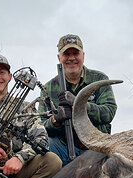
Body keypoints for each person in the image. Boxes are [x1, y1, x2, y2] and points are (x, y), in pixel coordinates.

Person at [38, 34, 117, 166]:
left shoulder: (99, 79)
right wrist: (55, 121)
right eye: (66, 54)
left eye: (76, 53)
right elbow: (41, 127)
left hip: (96, 146)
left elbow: (109, 112)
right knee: (44, 146)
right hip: (62, 148)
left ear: (83, 55)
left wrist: (78, 104)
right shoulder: (48, 88)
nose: (71, 58)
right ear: (59, 58)